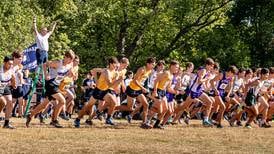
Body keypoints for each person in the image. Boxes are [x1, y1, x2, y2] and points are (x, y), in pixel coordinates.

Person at [26, 50, 75, 128]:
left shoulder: (70, 64)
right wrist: (46, 75)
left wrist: (71, 74)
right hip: (50, 83)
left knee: (44, 105)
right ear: (65, 57)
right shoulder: (58, 62)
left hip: (57, 85)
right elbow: (45, 65)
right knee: (62, 101)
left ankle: (30, 114)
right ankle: (54, 120)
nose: (71, 61)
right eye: (70, 59)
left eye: (72, 60)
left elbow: (70, 72)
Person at [0, 56, 16, 129]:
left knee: (10, 102)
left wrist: (14, 84)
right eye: (9, 64)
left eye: (12, 64)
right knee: (3, 102)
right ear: (4, 63)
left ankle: (6, 123)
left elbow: (13, 77)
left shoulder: (11, 69)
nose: (10, 65)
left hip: (5, 86)